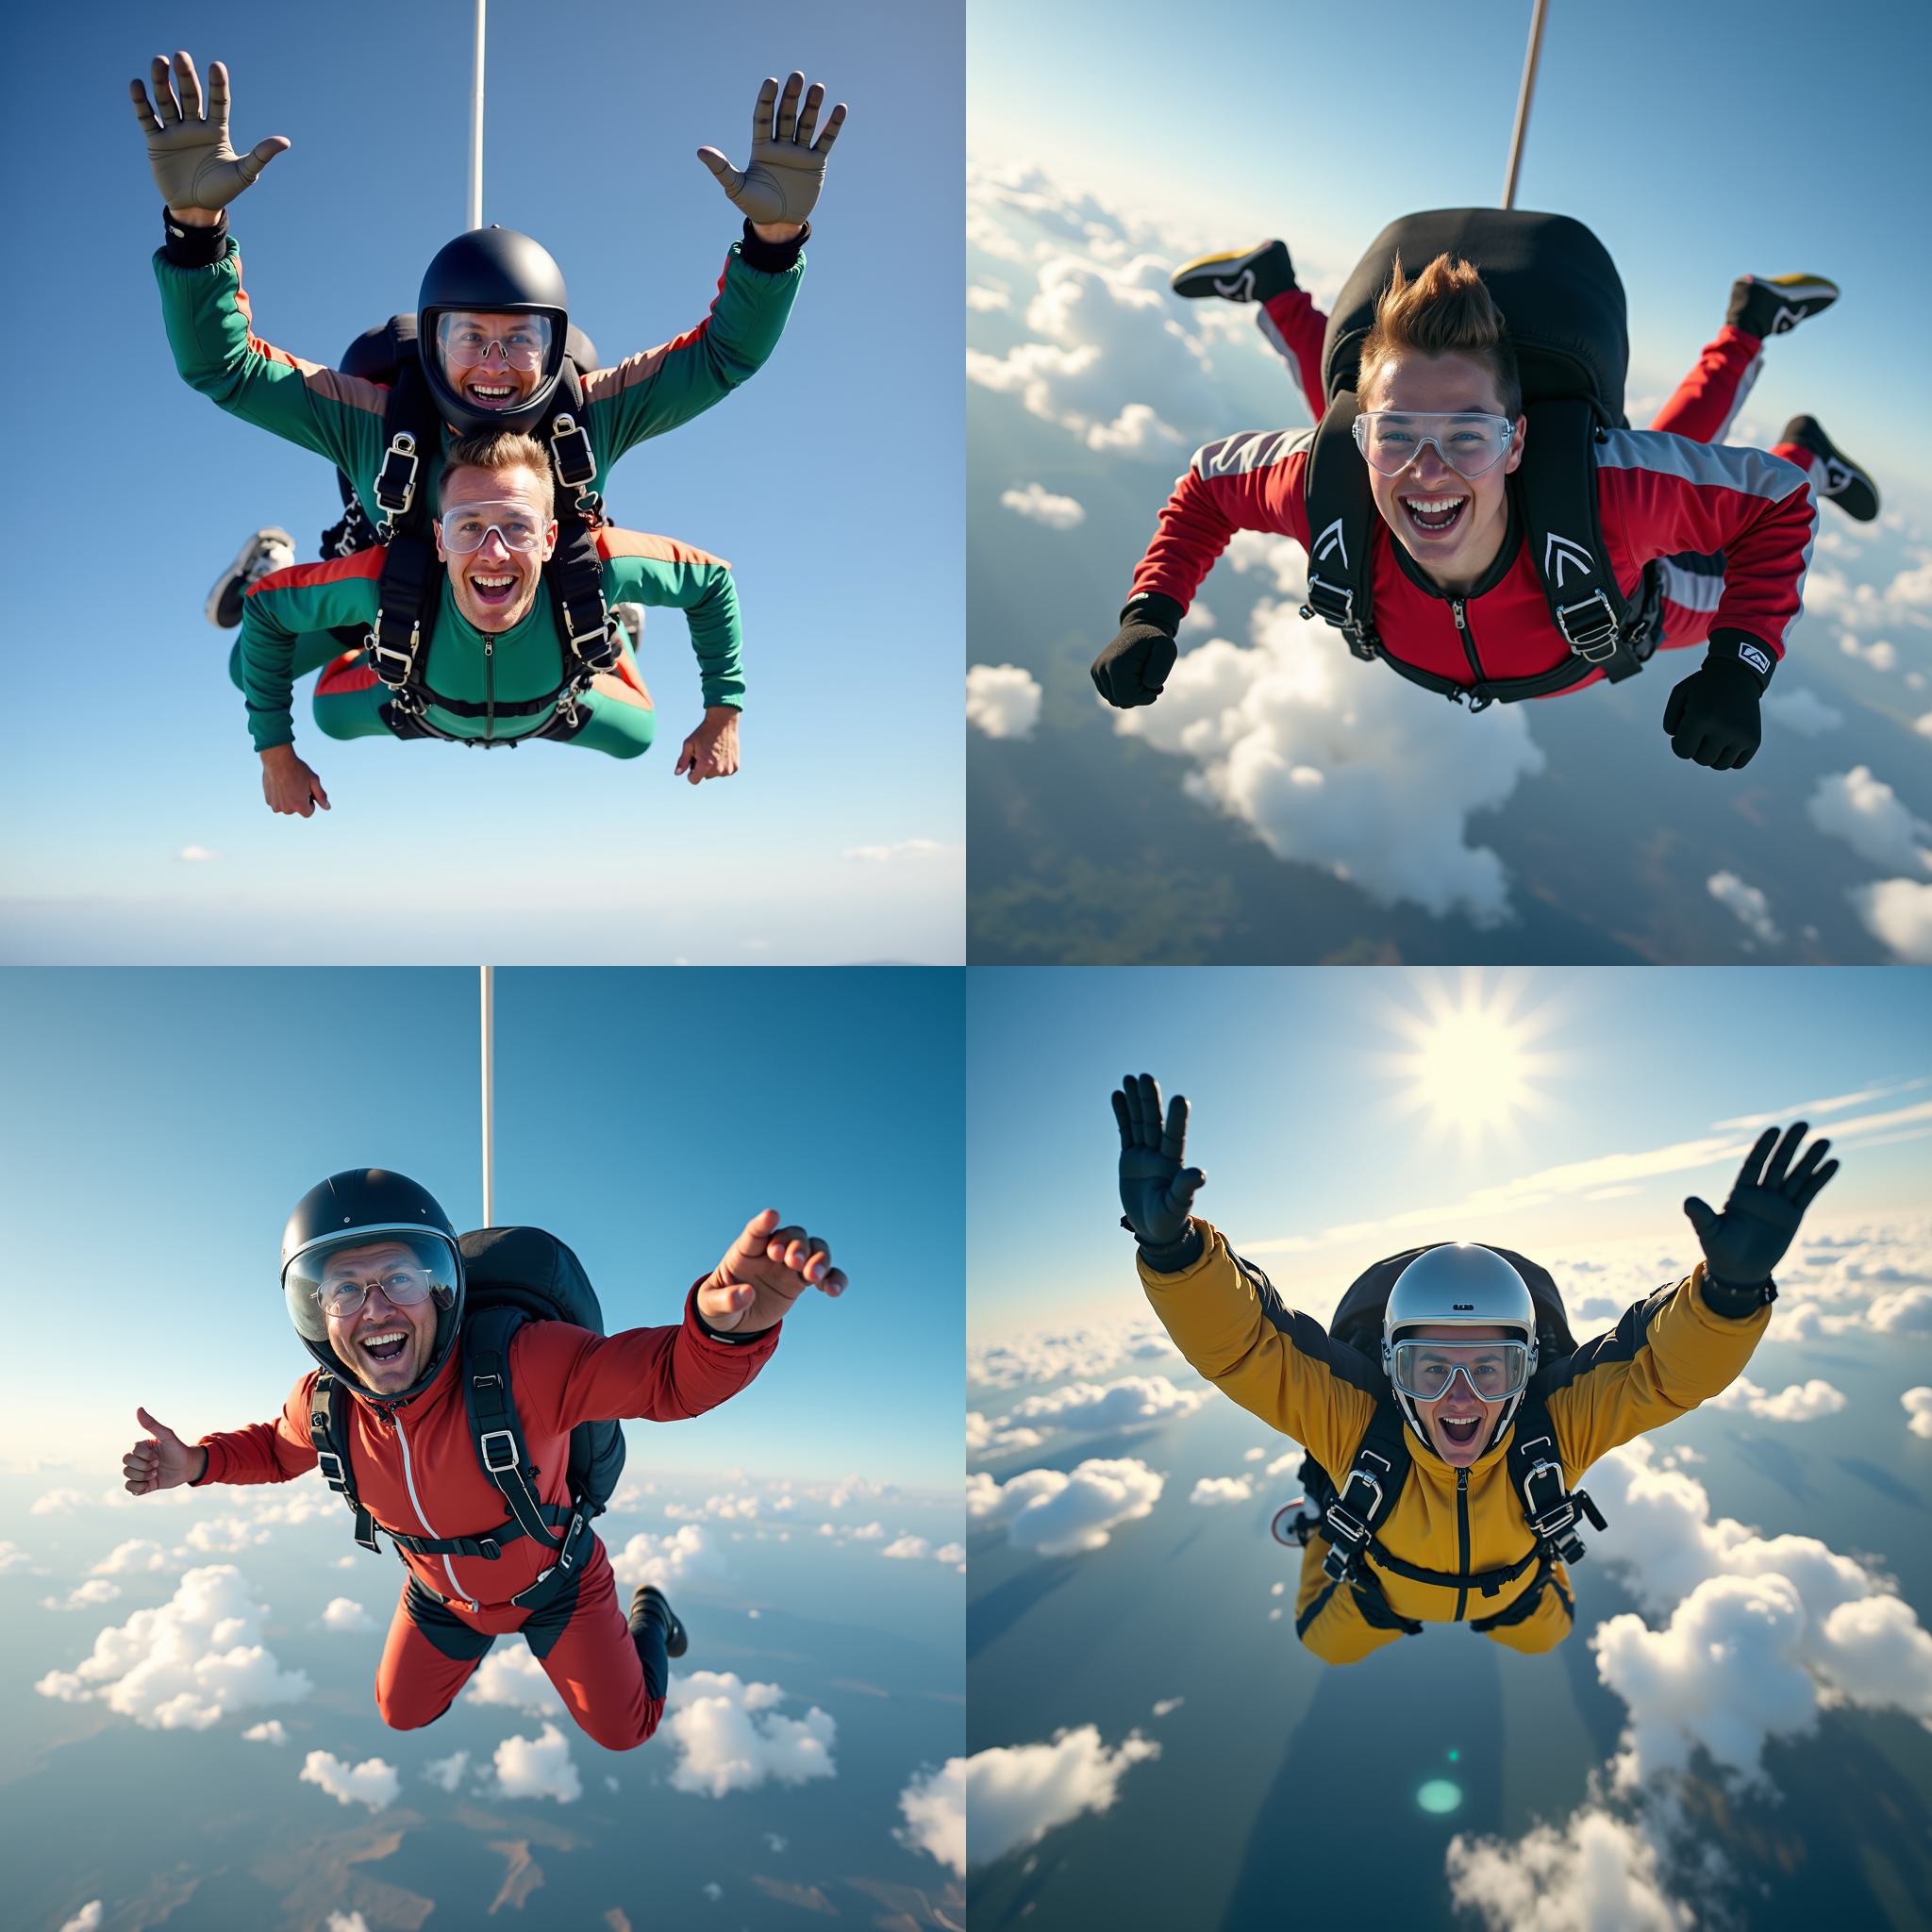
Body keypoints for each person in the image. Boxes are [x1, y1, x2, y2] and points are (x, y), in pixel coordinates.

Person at [131, 51, 842, 660]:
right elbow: (226, 369)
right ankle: (273, 569)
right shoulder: (374, 424)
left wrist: (772, 244)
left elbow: (723, 358)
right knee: (275, 671)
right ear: (433, 343)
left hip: (530, 601)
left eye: (521, 340)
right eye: (470, 337)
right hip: (391, 600)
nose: (496, 364)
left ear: (556, 348)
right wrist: (197, 235)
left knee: (630, 726)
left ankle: (613, 615)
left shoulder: (590, 416)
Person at [1112, 1073, 1838, 1665]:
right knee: (1324, 1644)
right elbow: (1247, 1346)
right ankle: (1322, 1523)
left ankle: (1329, 1522)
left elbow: (1662, 1371)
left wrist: (1726, 1295)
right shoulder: (1357, 1426)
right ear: (1392, 1371)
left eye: (1490, 1368)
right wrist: (1176, 1254)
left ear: (1527, 1372)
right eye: (1432, 1369)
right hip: (1376, 1592)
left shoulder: (1554, 1426)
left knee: (1547, 1635)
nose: (1460, 1398)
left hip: (1515, 1597)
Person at [122, 1170, 847, 1752]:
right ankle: (483, 1633)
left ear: (443, 1290)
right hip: (444, 1597)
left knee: (628, 1728)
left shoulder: (523, 1364)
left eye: (399, 1278)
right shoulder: (325, 1405)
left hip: (558, 1585)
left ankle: (651, 1613)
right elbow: (276, 1452)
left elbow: (663, 1377)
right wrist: (200, 1464)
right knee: (399, 1712)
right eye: (344, 1288)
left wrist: (726, 1333)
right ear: (316, 1315)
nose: (374, 1308)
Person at [1096, 228, 1871, 771]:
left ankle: (1767, 352)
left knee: (1674, 462)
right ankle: (1276, 290)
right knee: (1357, 438)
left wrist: (1739, 661)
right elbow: (1208, 485)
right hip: (1495, 537)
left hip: (1640, 593)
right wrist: (1150, 613)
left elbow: (1777, 500)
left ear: (1518, 441)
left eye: (1469, 436)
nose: (1429, 473)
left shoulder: (1614, 498)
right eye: (1397, 435)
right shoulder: (1327, 479)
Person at [237, 430, 747, 814]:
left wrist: (723, 714)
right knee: (260, 676)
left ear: (549, 538)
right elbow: (263, 610)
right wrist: (275, 755)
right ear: (440, 538)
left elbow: (712, 581)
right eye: (470, 527)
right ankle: (300, 584)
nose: (494, 553)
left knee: (639, 737)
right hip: (417, 701)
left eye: (517, 528)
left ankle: (608, 626)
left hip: (554, 705)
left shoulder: (597, 565)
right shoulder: (386, 581)